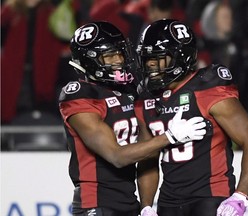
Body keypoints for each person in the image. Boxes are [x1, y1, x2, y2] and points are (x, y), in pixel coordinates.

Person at [58, 21, 207, 216]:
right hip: (96, 204)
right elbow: (116, 156)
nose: (119, 60)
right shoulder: (80, 95)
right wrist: (169, 137)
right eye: (110, 56)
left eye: (120, 53)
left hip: (129, 201)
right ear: (89, 60)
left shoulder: (128, 91)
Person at [135, 19, 248, 216]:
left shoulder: (208, 88)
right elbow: (147, 159)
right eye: (147, 58)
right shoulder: (147, 97)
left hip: (210, 197)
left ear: (180, 56)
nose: (151, 64)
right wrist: (146, 206)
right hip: (168, 201)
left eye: (158, 58)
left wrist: (240, 195)